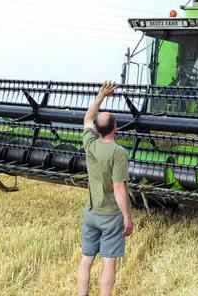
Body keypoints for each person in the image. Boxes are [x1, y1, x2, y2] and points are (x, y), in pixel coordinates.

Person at [76, 81, 133, 296]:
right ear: (115, 127)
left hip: (91, 212)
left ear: (98, 130)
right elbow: (119, 188)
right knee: (109, 264)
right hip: (110, 216)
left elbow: (88, 118)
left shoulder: (90, 144)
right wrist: (127, 217)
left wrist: (101, 95)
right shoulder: (118, 152)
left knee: (86, 260)